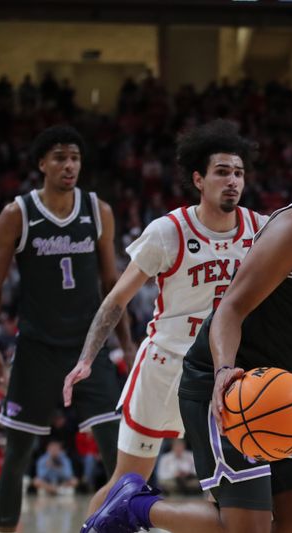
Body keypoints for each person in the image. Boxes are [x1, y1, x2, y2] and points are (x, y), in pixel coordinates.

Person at [82, 117, 292, 533]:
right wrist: (222, 373)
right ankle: (136, 506)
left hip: (279, 387)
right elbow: (230, 310)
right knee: (246, 528)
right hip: (227, 380)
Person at [62, 119, 266, 515]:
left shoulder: (261, 230)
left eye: (238, 173)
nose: (233, 181)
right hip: (164, 367)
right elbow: (116, 299)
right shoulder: (167, 231)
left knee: (225, 493)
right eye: (222, 172)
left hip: (221, 372)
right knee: (125, 483)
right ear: (198, 179)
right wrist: (87, 358)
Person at [0, 125, 133, 533]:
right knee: (16, 455)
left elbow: (112, 285)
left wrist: (128, 345)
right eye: (61, 157)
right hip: (37, 348)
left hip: (89, 347)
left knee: (119, 454)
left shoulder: (97, 210)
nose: (69, 165)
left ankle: (121, 526)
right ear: (42, 164)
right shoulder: (17, 214)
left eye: (75, 158)